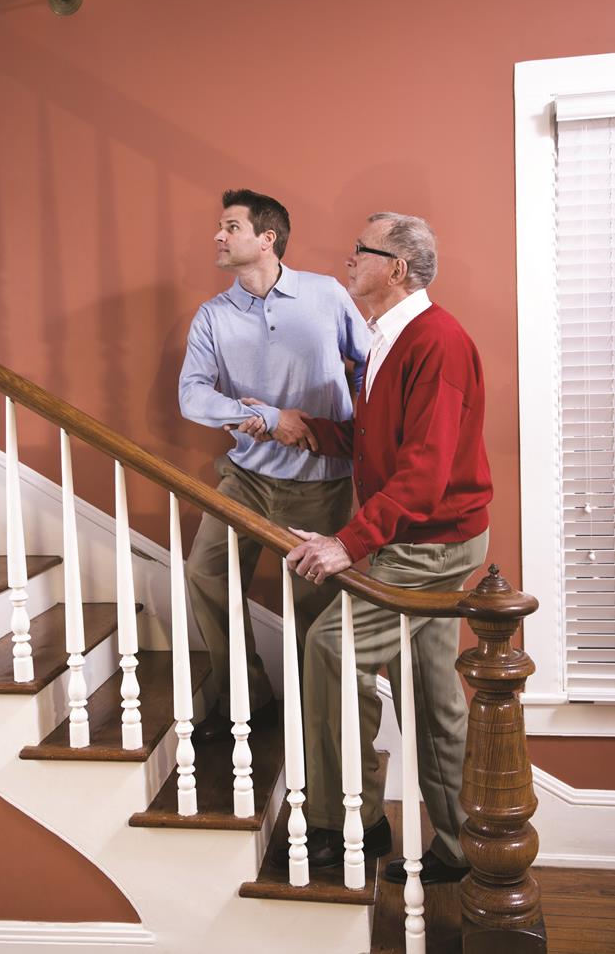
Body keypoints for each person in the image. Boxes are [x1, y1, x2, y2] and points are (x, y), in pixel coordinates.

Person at [241, 212, 493, 883]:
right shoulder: (390, 338)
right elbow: (383, 442)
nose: (347, 258)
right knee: (431, 694)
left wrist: (347, 543)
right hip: (430, 536)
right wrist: (307, 431)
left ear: (396, 268)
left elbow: (425, 468)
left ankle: (347, 821)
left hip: (429, 545)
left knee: (329, 648)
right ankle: (468, 849)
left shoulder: (434, 340)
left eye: (362, 249)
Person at [178, 189, 370, 744]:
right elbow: (191, 395)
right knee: (205, 572)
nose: (218, 235)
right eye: (219, 226)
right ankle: (247, 693)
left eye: (230, 226)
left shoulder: (326, 294)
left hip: (320, 483)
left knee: (317, 611)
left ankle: (318, 730)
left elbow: (366, 366)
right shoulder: (213, 316)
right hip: (247, 478)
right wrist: (258, 416)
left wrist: (353, 432)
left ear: (267, 238)